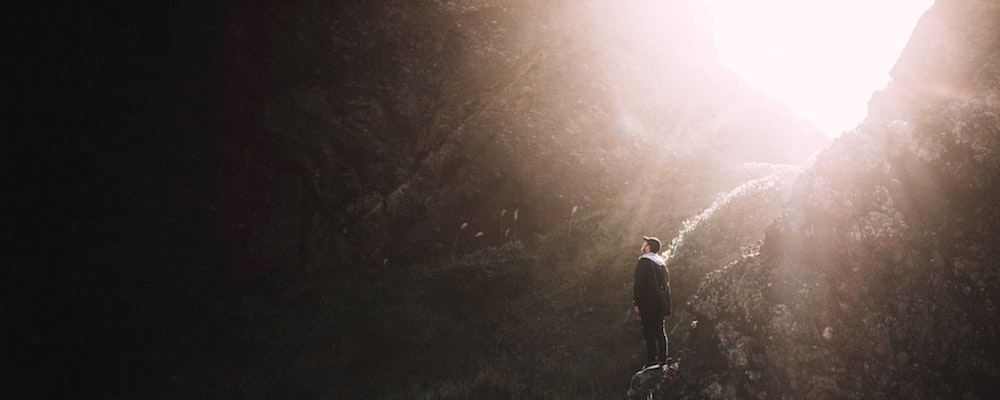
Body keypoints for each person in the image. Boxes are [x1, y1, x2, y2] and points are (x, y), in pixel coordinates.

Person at [633, 236, 671, 370]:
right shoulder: (661, 263)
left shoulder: (644, 261)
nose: (643, 245)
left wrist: (636, 303)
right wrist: (667, 305)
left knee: (649, 331)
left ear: (648, 246)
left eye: (645, 243)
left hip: (648, 303)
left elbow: (639, 284)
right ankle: (663, 360)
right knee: (660, 331)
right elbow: (666, 286)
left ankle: (651, 361)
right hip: (660, 303)